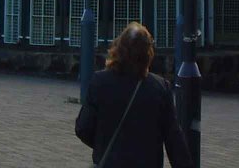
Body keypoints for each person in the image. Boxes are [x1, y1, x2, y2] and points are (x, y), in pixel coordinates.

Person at [75, 22, 193, 168]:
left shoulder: (100, 82)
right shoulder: (160, 88)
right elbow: (174, 141)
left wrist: (104, 145)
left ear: (118, 48)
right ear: (148, 53)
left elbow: (83, 128)